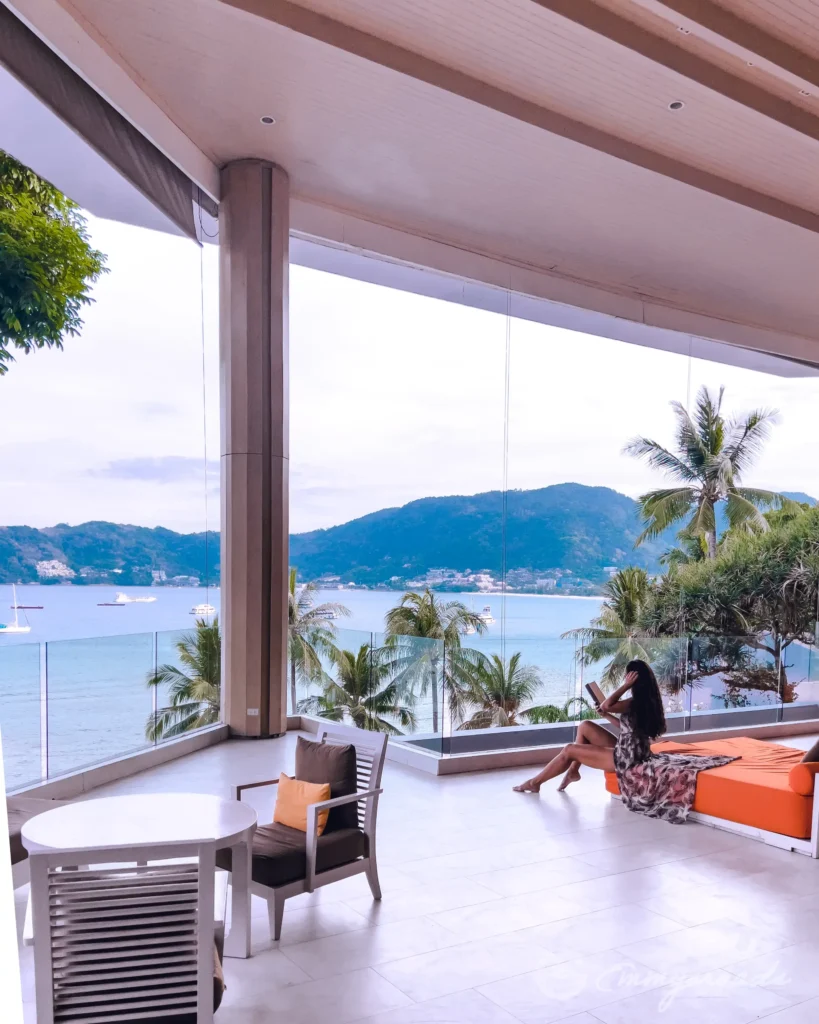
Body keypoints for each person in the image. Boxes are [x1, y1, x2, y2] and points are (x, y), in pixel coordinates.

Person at [514, 659, 738, 824]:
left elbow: (609, 704)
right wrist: (605, 716)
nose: (625, 679)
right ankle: (573, 771)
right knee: (585, 726)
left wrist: (624, 687)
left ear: (634, 679)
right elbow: (627, 728)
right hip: (634, 748)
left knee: (569, 749)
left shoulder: (633, 701)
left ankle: (535, 782)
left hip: (625, 758)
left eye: (627, 676)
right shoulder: (647, 700)